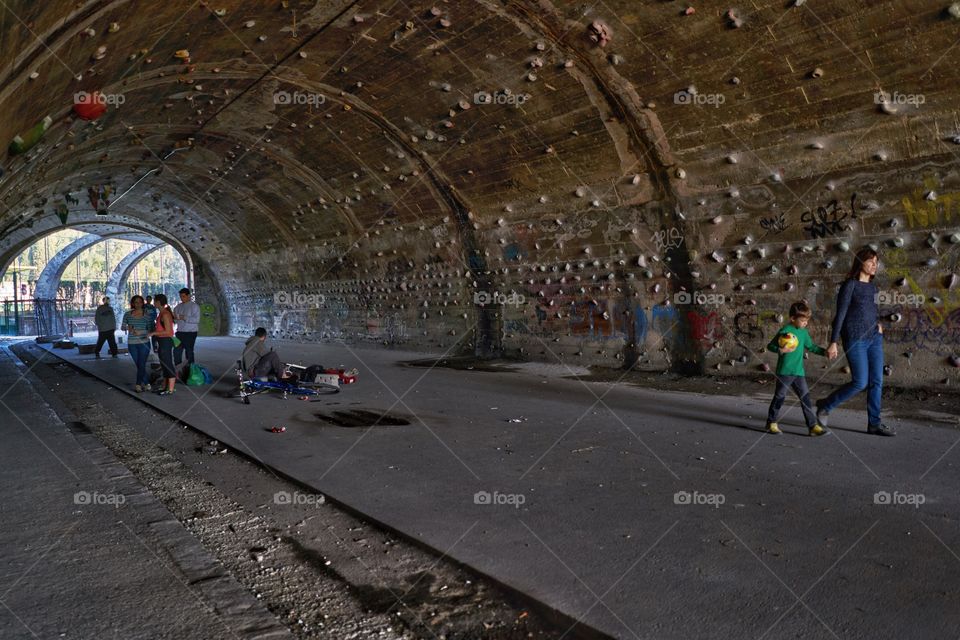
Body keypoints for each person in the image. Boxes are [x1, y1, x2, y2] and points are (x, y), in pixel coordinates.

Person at [816, 247, 895, 436]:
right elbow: (841, 314)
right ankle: (826, 405)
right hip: (854, 338)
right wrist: (833, 341)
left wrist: (878, 324)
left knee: (877, 381)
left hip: (874, 338)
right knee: (860, 382)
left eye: (876, 262)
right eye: (871, 261)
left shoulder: (873, 287)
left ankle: (874, 424)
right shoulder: (849, 285)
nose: (875, 265)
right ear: (861, 262)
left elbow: (871, 310)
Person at [764, 301, 828, 436]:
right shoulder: (785, 331)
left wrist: (825, 352)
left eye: (807, 320)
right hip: (785, 372)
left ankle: (812, 426)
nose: (806, 323)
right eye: (803, 320)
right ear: (793, 318)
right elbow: (770, 346)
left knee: (806, 399)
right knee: (779, 397)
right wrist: (781, 349)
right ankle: (771, 423)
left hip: (799, 372)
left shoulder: (803, 333)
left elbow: (812, 347)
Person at [148, 293, 177, 396]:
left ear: (159, 302)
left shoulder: (165, 314)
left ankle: (171, 389)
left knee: (168, 364)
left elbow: (169, 332)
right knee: (164, 364)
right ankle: (165, 386)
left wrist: (153, 333)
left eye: (155, 301)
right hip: (162, 341)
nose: (153, 302)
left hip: (166, 341)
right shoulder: (161, 313)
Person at [121, 295, 151, 392]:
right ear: (133, 303)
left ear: (143, 303)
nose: (138, 304)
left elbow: (151, 329)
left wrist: (141, 332)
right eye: (136, 302)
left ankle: (138, 384)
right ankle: (146, 383)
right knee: (138, 364)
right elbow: (122, 327)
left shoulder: (147, 315)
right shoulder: (127, 314)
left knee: (141, 363)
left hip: (144, 342)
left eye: (140, 302)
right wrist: (127, 328)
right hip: (132, 343)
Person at [173, 287, 200, 368]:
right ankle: (178, 369)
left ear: (189, 296)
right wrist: (174, 318)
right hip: (179, 333)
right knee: (176, 351)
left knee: (189, 352)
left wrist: (184, 317)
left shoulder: (194, 306)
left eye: (183, 296)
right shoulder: (178, 307)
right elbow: (175, 319)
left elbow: (196, 320)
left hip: (190, 333)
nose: (182, 298)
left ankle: (191, 370)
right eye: (181, 296)